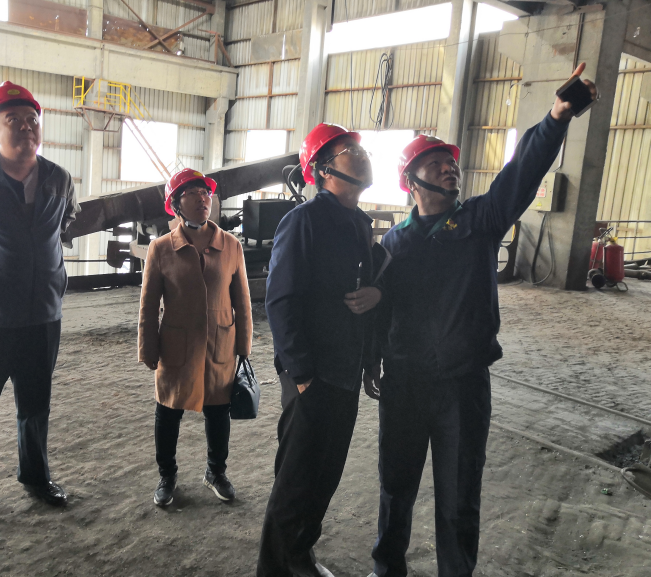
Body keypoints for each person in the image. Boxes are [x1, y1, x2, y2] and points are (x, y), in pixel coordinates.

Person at [367, 64, 598, 577]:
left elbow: (521, 175)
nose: (449, 168)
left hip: (462, 384)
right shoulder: (395, 243)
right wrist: (372, 362)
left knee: (458, 493)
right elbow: (382, 309)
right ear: (411, 181)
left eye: (451, 163)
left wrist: (556, 118)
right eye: (435, 164)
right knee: (395, 484)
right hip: (404, 382)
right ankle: (386, 567)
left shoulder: (479, 221)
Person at [0, 81, 81, 527]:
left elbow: (65, 225)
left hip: (44, 316)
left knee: (36, 406)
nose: (26, 127)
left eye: (32, 120)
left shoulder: (59, 178)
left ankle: (37, 478)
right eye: (14, 120)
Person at [257, 123, 386, 577]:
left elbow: (364, 295)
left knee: (326, 474)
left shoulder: (358, 223)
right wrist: (302, 374)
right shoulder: (304, 221)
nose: (361, 154)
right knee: (296, 480)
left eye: (361, 148)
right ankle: (276, 568)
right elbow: (281, 300)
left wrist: (369, 359)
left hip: (346, 371)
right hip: (313, 374)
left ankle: (300, 555)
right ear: (323, 169)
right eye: (349, 149)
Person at [138, 168, 253, 506]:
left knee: (218, 412)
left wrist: (243, 347)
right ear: (176, 204)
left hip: (220, 345)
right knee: (168, 412)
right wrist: (147, 348)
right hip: (176, 347)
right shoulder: (161, 249)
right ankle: (167, 476)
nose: (203, 199)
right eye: (193, 193)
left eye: (206, 193)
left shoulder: (230, 246)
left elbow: (242, 302)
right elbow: (148, 305)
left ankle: (216, 472)